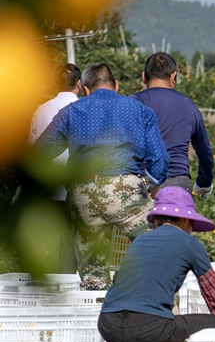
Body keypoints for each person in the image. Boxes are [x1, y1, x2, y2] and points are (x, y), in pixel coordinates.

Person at [35, 63, 170, 289]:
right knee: (157, 247)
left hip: (84, 192)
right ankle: (156, 304)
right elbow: (160, 159)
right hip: (126, 187)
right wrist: (148, 184)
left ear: (86, 88)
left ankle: (95, 300)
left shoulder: (70, 112)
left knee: (92, 269)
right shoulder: (140, 110)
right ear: (116, 85)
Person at [98, 187, 215, 342]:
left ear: (157, 220)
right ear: (187, 221)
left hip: (108, 327)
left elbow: (122, 287)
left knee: (127, 302)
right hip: (150, 331)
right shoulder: (190, 243)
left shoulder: (139, 241)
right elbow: (213, 291)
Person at [132, 52, 215, 198]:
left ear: (144, 77)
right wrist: (204, 182)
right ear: (173, 76)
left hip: (142, 183)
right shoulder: (189, 106)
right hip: (178, 184)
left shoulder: (133, 103)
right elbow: (205, 152)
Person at [29, 63, 82, 273]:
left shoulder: (40, 111)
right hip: (79, 189)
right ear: (79, 84)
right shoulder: (85, 110)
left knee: (53, 249)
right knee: (77, 247)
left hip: (49, 191)